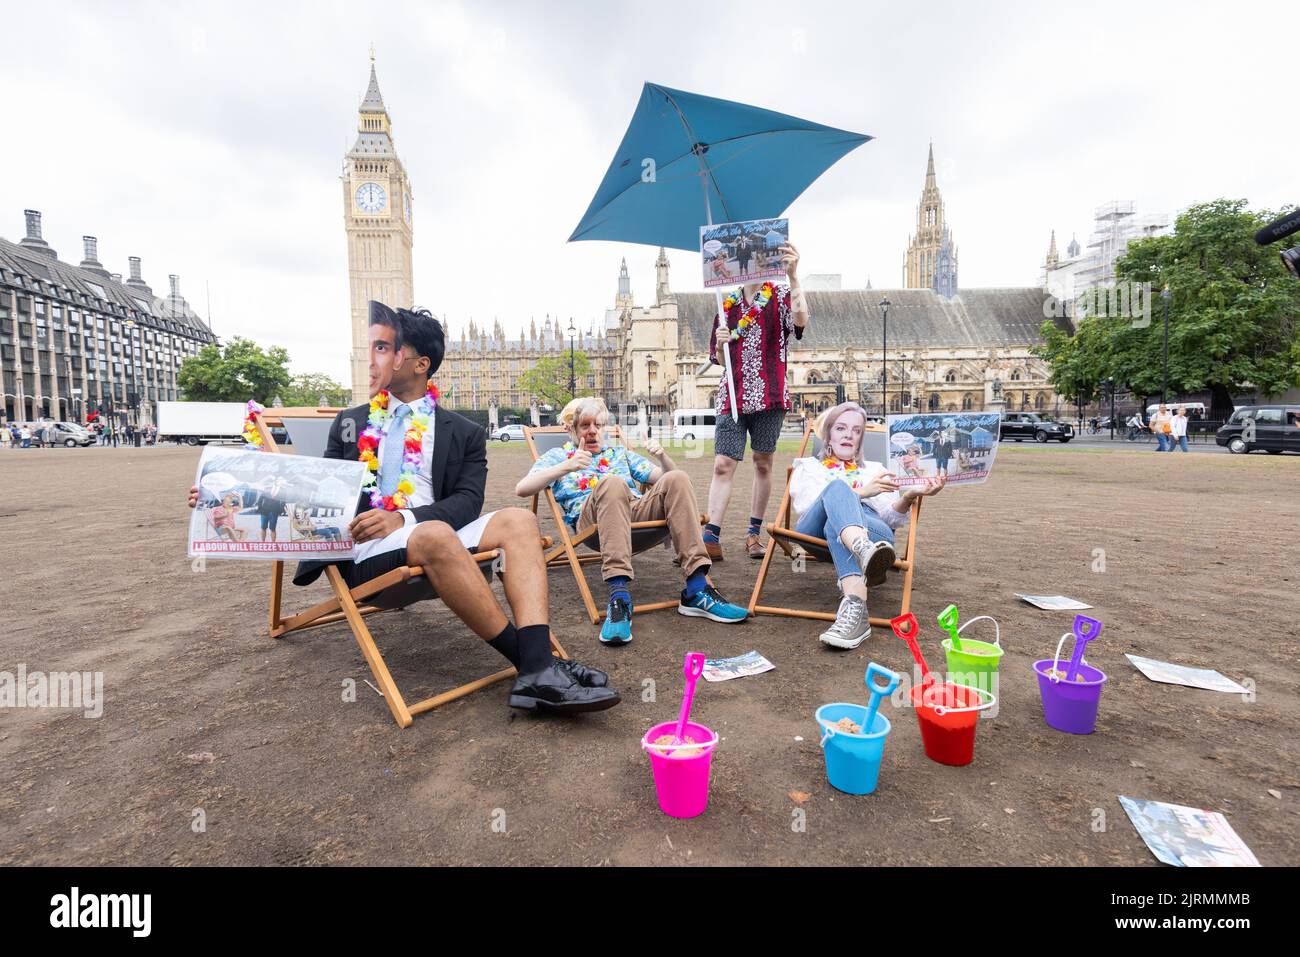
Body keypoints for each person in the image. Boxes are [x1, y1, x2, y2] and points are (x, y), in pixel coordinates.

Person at [187, 300, 618, 715]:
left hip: (432, 528)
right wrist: (223, 495)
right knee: (435, 535)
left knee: (520, 520)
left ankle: (537, 670)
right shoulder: (350, 423)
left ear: (419, 364)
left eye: (387, 349)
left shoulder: (464, 432)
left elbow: (467, 503)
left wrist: (406, 516)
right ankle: (538, 666)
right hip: (367, 547)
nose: (376, 358)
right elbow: (315, 491)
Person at [516, 396, 747, 645]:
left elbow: (666, 480)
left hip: (635, 514)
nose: (593, 431)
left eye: (598, 425)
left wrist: (663, 457)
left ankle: (697, 589)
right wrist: (567, 466)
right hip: (592, 524)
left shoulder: (619, 454)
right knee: (612, 483)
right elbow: (523, 488)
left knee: (677, 477)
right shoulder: (557, 456)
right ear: (571, 429)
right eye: (585, 426)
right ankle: (619, 597)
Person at [789, 402, 945, 649]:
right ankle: (863, 550)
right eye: (840, 428)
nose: (848, 434)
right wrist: (860, 492)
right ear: (828, 433)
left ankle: (856, 610)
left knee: (836, 525)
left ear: (861, 438)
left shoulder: (876, 470)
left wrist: (909, 495)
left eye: (856, 430)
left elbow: (890, 520)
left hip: (871, 527)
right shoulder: (808, 466)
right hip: (814, 530)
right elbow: (807, 506)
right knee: (838, 489)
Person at [704, 241, 808, 560]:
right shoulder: (726, 307)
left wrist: (793, 276)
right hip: (732, 396)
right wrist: (722, 344)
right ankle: (711, 536)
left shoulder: (777, 296)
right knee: (724, 463)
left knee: (763, 463)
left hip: (770, 395)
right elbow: (720, 359)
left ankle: (753, 534)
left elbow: (801, 320)